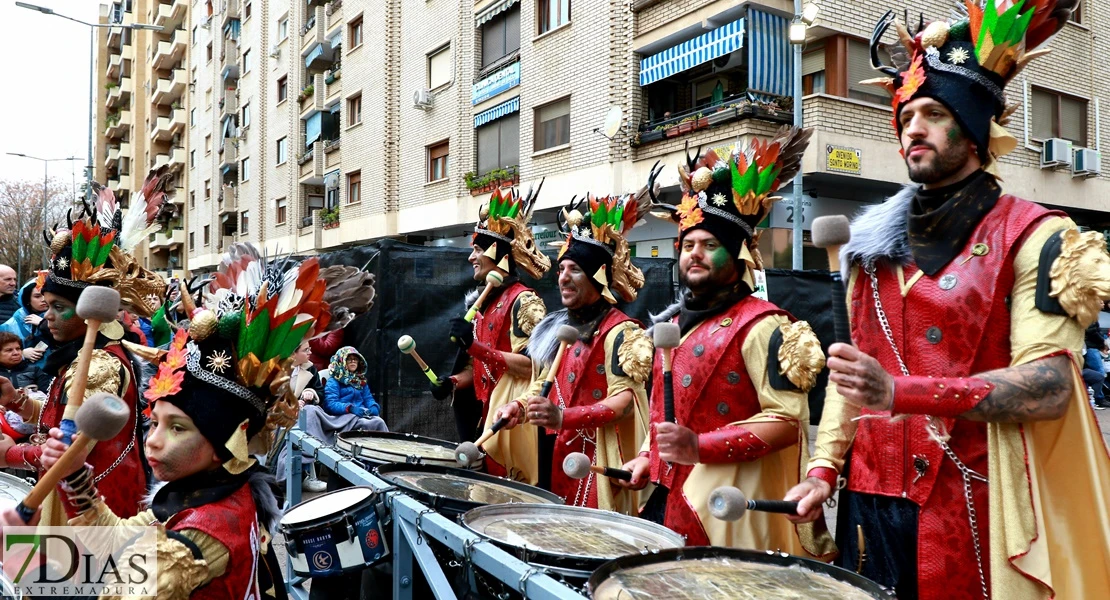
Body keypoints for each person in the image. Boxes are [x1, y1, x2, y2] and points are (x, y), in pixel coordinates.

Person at [786, 5, 1110, 599]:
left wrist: (900, 393)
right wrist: (822, 469)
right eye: (906, 116)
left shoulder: (1037, 235)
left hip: (973, 502)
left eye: (934, 114)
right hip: (868, 501)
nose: (913, 129)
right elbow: (848, 379)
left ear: (976, 126)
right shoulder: (867, 250)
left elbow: (1051, 385)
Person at [40, 244, 329, 599]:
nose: (153, 441)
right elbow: (115, 540)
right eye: (155, 422)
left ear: (230, 441)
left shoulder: (205, 530)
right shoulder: (198, 492)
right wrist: (75, 478)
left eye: (177, 428)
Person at [614, 133, 833, 557]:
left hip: (726, 513)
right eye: (688, 245)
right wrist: (646, 459)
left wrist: (699, 448)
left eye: (710, 245)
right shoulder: (671, 325)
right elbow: (662, 413)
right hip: (663, 502)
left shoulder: (765, 326)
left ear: (739, 257)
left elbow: (788, 423)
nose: (694, 254)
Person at [0, 171, 171, 527]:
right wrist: (17, 400)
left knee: (64, 582)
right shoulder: (84, 355)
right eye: (46, 305)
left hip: (92, 508)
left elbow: (71, 451)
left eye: (59, 307)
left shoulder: (99, 366)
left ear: (91, 311)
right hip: (79, 498)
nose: (48, 316)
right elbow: (63, 417)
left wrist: (10, 454)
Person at [497, 192, 651, 514]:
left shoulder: (622, 332)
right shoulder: (561, 329)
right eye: (562, 268)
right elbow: (543, 386)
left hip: (601, 464)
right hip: (562, 457)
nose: (563, 277)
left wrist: (564, 417)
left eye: (575, 270)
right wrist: (519, 407)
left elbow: (626, 403)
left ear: (600, 278)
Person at [431, 185, 550, 483]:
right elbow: (480, 369)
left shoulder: (525, 302)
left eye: (478, 249)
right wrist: (454, 382)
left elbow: (534, 368)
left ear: (498, 254)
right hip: (488, 419)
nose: (472, 257)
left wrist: (476, 348)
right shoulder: (484, 305)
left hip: (516, 425)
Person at [0, 276, 52, 368]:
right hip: (22, 375)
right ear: (27, 299)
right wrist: (22, 353)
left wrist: (44, 324)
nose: (44, 299)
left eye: (46, 295)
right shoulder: (11, 324)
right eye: (37, 296)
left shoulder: (59, 317)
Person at [323, 347, 382, 420]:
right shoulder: (334, 381)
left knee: (378, 421)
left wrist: (373, 407)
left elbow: (368, 399)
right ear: (341, 361)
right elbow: (330, 404)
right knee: (367, 424)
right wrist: (350, 408)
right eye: (349, 359)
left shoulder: (361, 381)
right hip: (341, 416)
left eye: (355, 359)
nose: (353, 361)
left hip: (362, 414)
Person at [1083, 323, 1108, 409]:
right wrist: (1102, 341)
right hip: (1091, 346)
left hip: (1093, 346)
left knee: (1099, 372)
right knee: (1099, 372)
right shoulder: (1090, 315)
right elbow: (1092, 331)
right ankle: (1098, 398)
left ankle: (1097, 397)